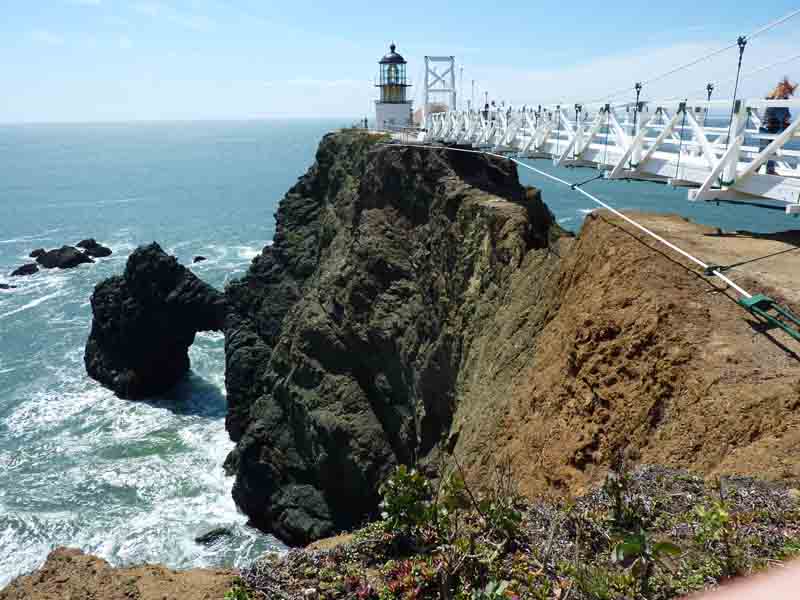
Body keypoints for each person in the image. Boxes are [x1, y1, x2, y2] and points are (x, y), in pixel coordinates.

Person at [760, 77, 796, 175]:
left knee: (773, 149)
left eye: (788, 92)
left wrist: (787, 120)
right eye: (786, 91)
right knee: (763, 150)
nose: (787, 93)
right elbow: (770, 112)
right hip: (767, 127)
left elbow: (787, 114)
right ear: (781, 89)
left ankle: (770, 170)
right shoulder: (772, 98)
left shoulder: (785, 101)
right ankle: (755, 169)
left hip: (776, 127)